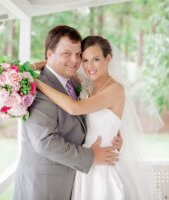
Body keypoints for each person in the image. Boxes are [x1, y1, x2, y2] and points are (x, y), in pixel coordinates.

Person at [35, 35, 155, 199]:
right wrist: (29, 67)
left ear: (108, 58)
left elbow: (74, 108)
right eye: (84, 60)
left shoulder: (115, 89)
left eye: (96, 59)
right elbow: (55, 63)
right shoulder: (85, 84)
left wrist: (38, 83)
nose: (89, 66)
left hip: (103, 165)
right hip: (87, 163)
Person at [13, 25, 122, 200]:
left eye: (78, 54)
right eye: (66, 53)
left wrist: (111, 132)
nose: (75, 60)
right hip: (45, 186)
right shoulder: (39, 88)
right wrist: (91, 157)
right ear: (49, 54)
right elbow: (45, 142)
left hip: (75, 177)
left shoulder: (74, 83)